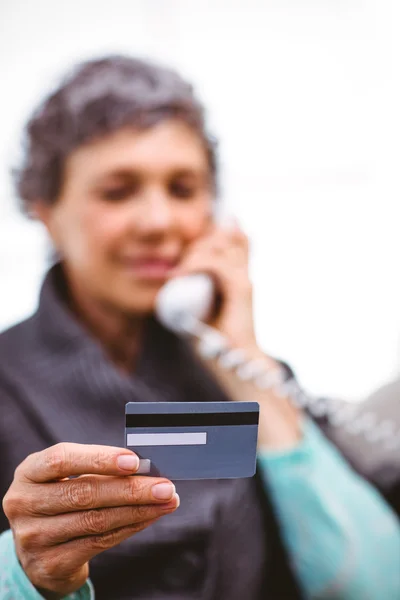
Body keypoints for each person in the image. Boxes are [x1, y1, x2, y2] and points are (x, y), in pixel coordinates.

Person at [0, 55, 399, 600]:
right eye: (118, 191)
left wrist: (245, 364)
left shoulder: (248, 371)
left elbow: (374, 582)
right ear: (44, 207)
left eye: (184, 189)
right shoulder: (8, 385)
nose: (160, 222)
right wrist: (25, 572)